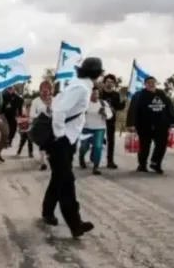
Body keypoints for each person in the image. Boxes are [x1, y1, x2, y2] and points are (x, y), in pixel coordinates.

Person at [41, 57, 102, 238]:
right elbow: (59, 111)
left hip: (68, 138)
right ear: (97, 74)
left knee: (58, 178)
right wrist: (60, 136)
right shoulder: (81, 88)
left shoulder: (77, 84)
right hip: (63, 140)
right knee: (67, 182)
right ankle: (75, 224)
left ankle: (47, 211)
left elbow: (56, 105)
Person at [126, 76, 174, 174]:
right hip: (144, 125)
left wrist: (173, 122)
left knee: (161, 145)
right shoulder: (139, 95)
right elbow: (132, 110)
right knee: (144, 146)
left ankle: (156, 163)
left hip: (161, 125)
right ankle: (142, 165)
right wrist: (131, 124)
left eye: (153, 82)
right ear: (145, 84)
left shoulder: (162, 94)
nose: (151, 84)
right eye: (149, 82)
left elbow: (170, 108)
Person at [78, 87, 113, 175]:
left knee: (98, 147)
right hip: (86, 128)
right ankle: (81, 156)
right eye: (92, 94)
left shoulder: (103, 103)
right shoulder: (85, 103)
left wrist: (104, 113)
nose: (94, 96)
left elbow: (109, 115)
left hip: (99, 128)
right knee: (84, 147)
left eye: (96, 94)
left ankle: (96, 166)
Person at [99, 74, 125, 168]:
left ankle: (110, 161)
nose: (109, 83)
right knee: (98, 141)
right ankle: (95, 157)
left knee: (111, 141)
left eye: (112, 82)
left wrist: (124, 102)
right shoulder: (99, 93)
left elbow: (119, 107)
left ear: (114, 84)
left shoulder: (116, 94)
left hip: (111, 121)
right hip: (99, 120)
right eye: (108, 81)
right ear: (104, 83)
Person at [30, 80, 54, 171]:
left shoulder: (54, 100)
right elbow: (32, 114)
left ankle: (49, 158)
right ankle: (43, 162)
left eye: (47, 89)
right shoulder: (36, 101)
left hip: (52, 125)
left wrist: (49, 107)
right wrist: (41, 113)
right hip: (40, 125)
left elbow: (57, 113)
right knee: (43, 143)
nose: (45, 92)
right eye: (43, 90)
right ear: (40, 90)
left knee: (51, 144)